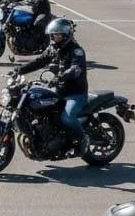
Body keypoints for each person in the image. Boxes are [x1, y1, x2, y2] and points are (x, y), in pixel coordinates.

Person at [15, 17, 90, 155]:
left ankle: (83, 140)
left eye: (58, 35)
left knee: (67, 117)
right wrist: (20, 70)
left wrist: (63, 76)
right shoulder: (53, 48)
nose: (54, 38)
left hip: (75, 93)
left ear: (66, 35)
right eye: (53, 35)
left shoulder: (76, 51)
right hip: (58, 90)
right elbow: (39, 61)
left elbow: (75, 69)